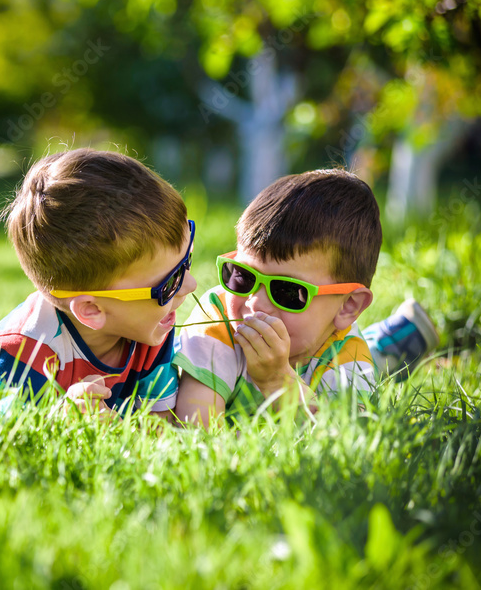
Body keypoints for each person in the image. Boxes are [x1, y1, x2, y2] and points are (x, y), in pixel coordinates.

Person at [0, 148, 197, 421]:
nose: (191, 285)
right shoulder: (23, 354)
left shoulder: (151, 327)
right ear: (91, 309)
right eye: (170, 284)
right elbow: (3, 432)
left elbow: (163, 424)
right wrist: (61, 417)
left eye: (188, 260)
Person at [174, 168, 438, 426]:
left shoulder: (346, 355)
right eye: (243, 276)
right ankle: (383, 346)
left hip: (333, 352)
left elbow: (342, 442)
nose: (255, 303)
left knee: (367, 367)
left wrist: (278, 383)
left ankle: (388, 344)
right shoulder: (219, 319)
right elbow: (196, 429)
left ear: (348, 305)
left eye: (287, 291)